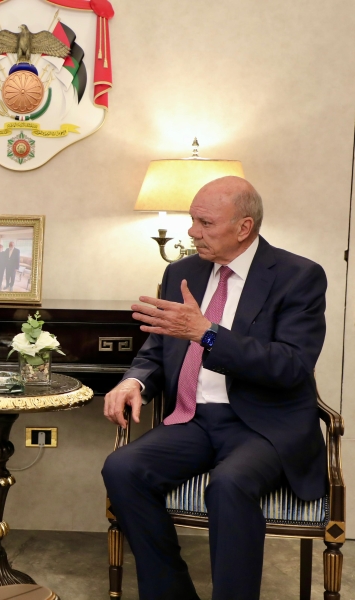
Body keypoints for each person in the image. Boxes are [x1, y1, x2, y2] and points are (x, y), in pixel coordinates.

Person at [101, 176, 326, 600]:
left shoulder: (298, 276)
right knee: (122, 468)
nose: (192, 232)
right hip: (194, 420)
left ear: (244, 227)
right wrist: (133, 381)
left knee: (229, 484)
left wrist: (208, 334)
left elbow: (292, 366)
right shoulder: (181, 272)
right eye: (192, 220)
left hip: (263, 426)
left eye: (205, 223)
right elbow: (157, 349)